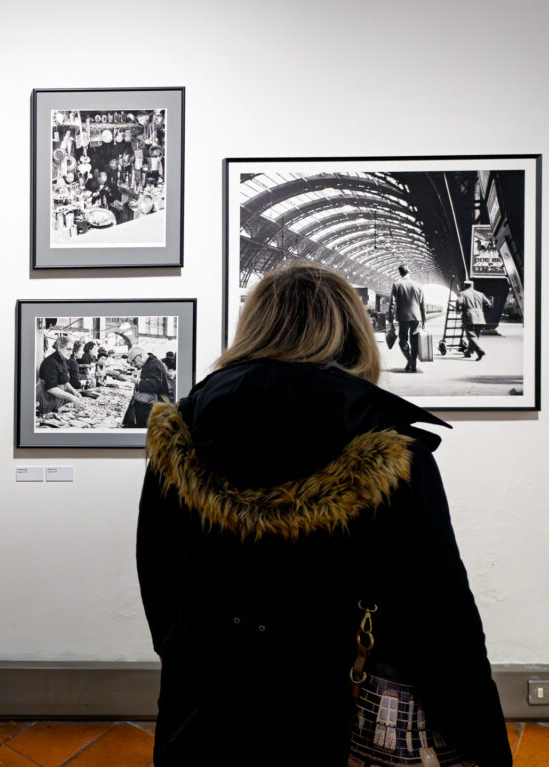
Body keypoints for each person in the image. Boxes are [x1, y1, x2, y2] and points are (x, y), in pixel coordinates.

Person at [136, 263, 510, 767]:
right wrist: (481, 735)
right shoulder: (390, 449)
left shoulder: (182, 432)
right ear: (353, 331)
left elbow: (159, 571)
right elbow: (442, 609)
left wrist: (181, 654)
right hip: (345, 706)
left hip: (209, 701)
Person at [387, 264, 427, 372]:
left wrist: (390, 319)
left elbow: (391, 304)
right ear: (408, 271)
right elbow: (423, 304)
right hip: (416, 317)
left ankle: (409, 359)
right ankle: (413, 363)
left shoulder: (397, 284)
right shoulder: (418, 285)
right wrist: (424, 320)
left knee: (402, 340)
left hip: (402, 317)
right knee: (414, 341)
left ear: (400, 273)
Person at [122, 346, 172, 428]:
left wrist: (138, 382)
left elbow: (153, 385)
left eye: (134, 361)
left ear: (139, 356)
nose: (134, 365)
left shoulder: (154, 364)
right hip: (150, 404)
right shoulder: (150, 362)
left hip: (153, 406)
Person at [36, 337, 83, 414]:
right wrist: (72, 397)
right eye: (68, 349)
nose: (71, 352)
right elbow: (50, 388)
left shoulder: (63, 359)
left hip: (55, 397)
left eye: (71, 349)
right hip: (46, 398)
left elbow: (64, 380)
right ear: (59, 348)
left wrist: (74, 391)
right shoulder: (50, 362)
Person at [456, 279, 494, 361]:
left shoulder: (462, 294)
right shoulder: (480, 294)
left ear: (465, 286)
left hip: (469, 317)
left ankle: (480, 351)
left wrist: (458, 310)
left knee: (471, 337)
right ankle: (468, 352)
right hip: (480, 318)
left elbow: (459, 303)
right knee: (475, 336)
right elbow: (489, 304)